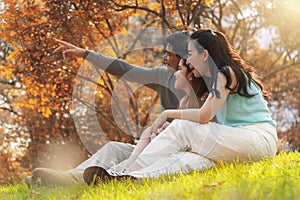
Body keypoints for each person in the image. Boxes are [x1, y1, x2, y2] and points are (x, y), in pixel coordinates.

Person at [83, 28, 278, 182]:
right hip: (240, 141)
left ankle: (125, 170)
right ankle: (133, 178)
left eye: (191, 53)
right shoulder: (215, 80)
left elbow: (203, 116)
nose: (188, 60)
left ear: (205, 55)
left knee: (183, 127)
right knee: (191, 160)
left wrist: (167, 114)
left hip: (258, 138)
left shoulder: (226, 73)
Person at [26, 31, 194, 186]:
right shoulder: (163, 75)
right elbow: (125, 69)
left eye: (169, 54)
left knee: (127, 161)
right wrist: (85, 54)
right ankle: (67, 179)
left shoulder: (201, 87)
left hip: (174, 152)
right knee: (113, 148)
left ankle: (90, 178)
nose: (164, 57)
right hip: (154, 146)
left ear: (183, 59)